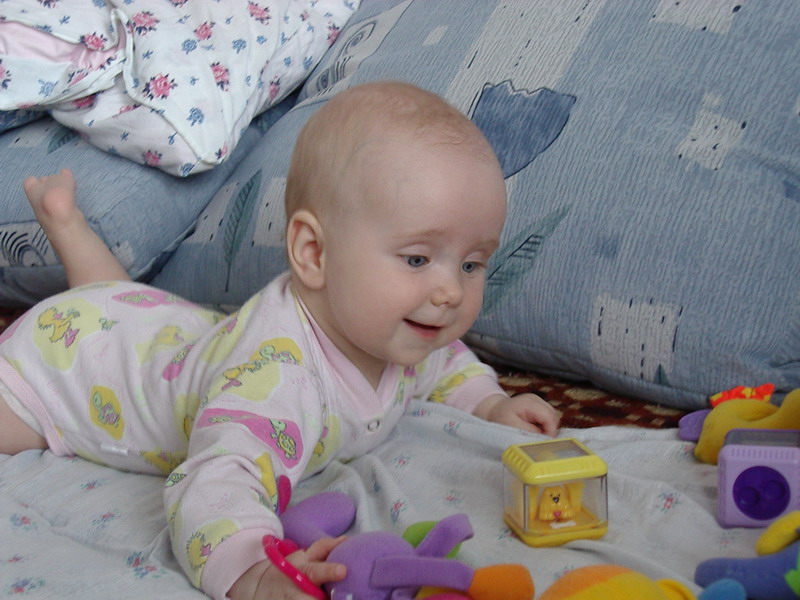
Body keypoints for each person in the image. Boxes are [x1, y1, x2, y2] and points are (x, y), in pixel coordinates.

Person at [0, 81, 560, 600]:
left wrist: (489, 402)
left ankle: (71, 231)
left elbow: (445, 361)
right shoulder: (276, 382)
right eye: (417, 259)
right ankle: (71, 247)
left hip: (146, 324)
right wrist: (253, 568)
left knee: (120, 310)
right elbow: (216, 481)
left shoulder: (402, 332)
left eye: (471, 263)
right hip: (61, 362)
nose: (450, 291)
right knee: (36, 402)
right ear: (313, 253)